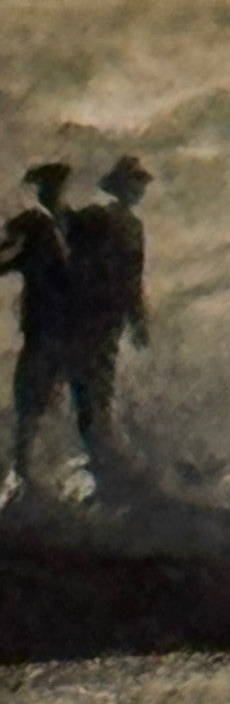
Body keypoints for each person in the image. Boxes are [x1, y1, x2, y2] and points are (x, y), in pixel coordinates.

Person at [65, 154, 154, 479]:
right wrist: (138, 320)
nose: (140, 189)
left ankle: (98, 454)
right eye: (137, 183)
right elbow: (132, 280)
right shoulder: (127, 226)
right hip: (102, 317)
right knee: (97, 385)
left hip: (86, 316)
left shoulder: (94, 218)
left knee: (87, 387)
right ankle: (101, 457)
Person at [0, 162, 75, 498]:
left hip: (49, 333)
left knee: (31, 402)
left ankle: (27, 476)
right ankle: (40, 478)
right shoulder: (64, 224)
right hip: (66, 331)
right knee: (48, 402)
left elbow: (7, 258)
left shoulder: (40, 227)